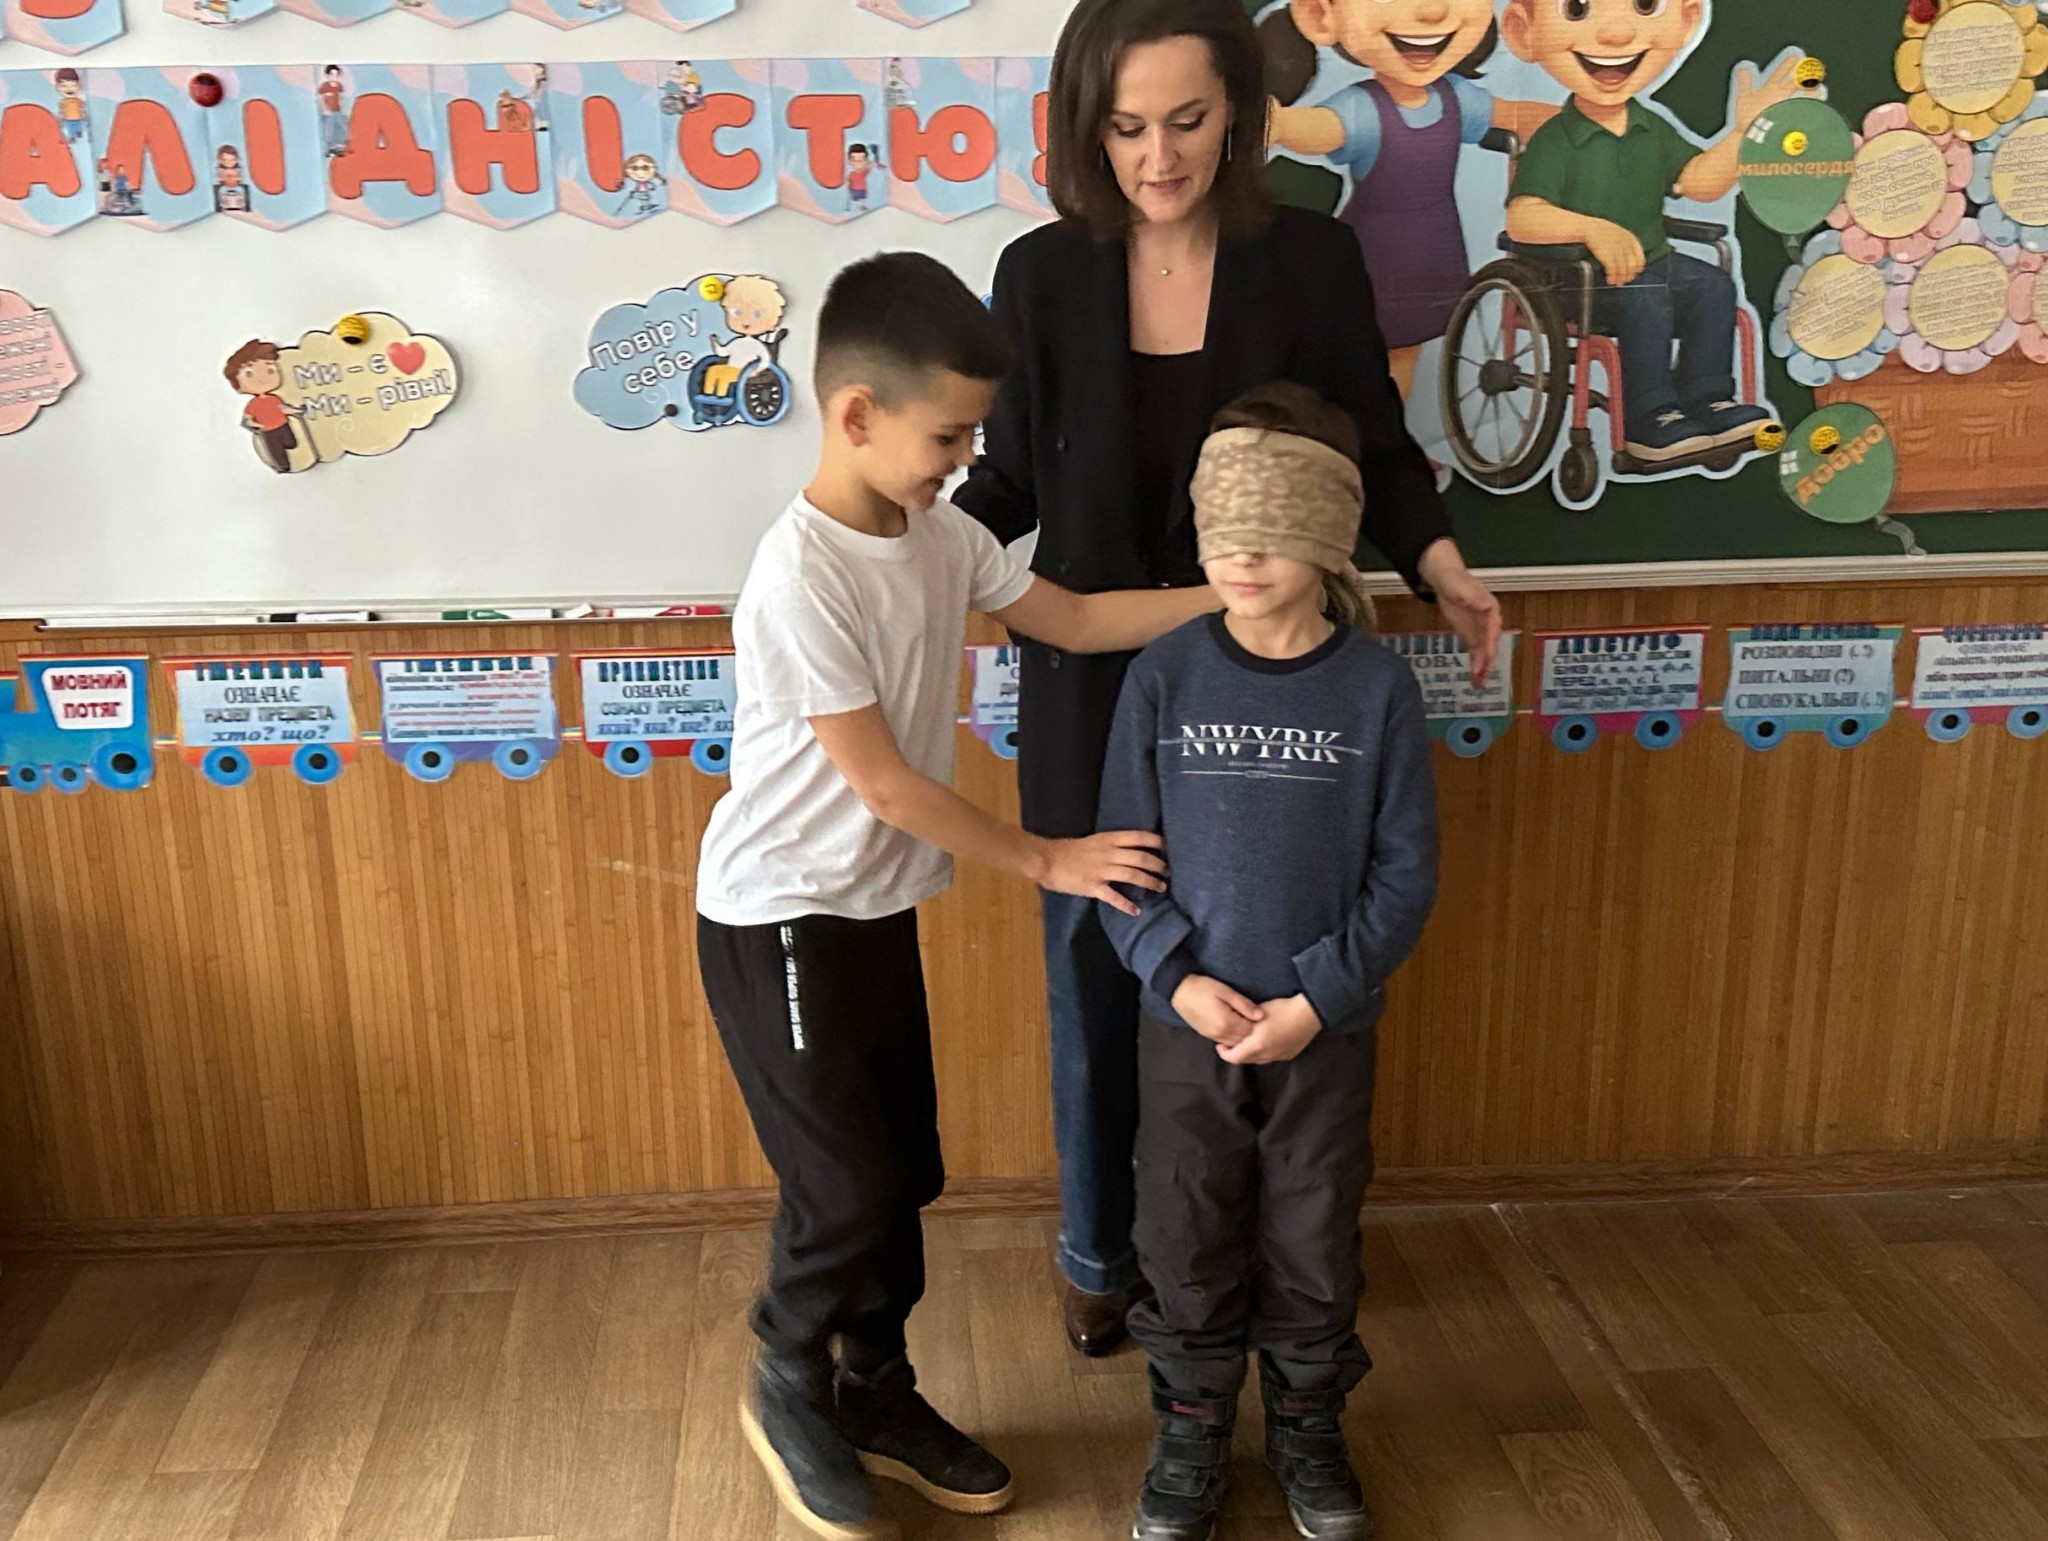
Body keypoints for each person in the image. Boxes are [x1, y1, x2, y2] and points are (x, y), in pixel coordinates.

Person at [952, 0, 1498, 1360]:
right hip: (1092, 683)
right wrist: (896, 549)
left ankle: (1271, 1263)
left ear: (1239, 116)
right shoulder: (1038, 275)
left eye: (1188, 121)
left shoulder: (1307, 259)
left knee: (1273, 964)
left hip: (1274, 680)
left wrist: (1441, 565)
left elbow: (1374, 446)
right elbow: (1003, 484)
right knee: (1101, 972)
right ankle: (1102, 1253)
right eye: (1126, 128)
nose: (1159, 157)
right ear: (1086, 130)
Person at [694, 251, 1222, 1541]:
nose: (963, 459)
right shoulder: (800, 576)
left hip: (870, 913)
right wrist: (1047, 857)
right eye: (948, 437)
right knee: (841, 1188)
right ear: (855, 414)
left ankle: (875, 1387)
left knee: (902, 1173)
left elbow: (1075, 618)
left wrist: (1231, 591)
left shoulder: (941, 537)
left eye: (974, 434)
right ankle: (785, 1373)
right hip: (781, 920)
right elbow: (880, 781)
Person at [1099, 384, 1438, 1541]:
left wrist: (1316, 998)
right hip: (1183, 1024)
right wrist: (1173, 976)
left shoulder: (1374, 688)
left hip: (1319, 1032)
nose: (1239, 554)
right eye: (1221, 526)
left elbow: (1403, 874)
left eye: (1270, 526)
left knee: (1312, 1226)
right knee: (1180, 1223)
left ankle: (1305, 1418)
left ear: (1328, 530)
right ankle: (1191, 1420)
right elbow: (1122, 860)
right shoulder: (1163, 674)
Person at [1501, 0, 1798, 462]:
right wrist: (1592, 230)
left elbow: (1698, 182)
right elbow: (1522, 216)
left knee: (1714, 286)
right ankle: (1648, 416)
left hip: (1649, 263)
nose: (1617, 35)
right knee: (1648, 297)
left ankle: (1708, 398)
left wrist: (1743, 135)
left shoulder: (1649, 128)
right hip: (1574, 279)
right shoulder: (1556, 139)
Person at [1264, 0, 1554, 401]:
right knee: (1354, 350)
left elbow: (1513, 114)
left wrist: (1575, 119)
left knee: (1405, 351)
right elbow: (1322, 128)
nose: (1431, 11)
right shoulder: (1364, 108)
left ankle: (1390, 428)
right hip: (1374, 253)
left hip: (1432, 252)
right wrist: (1280, 124)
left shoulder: (1454, 97)